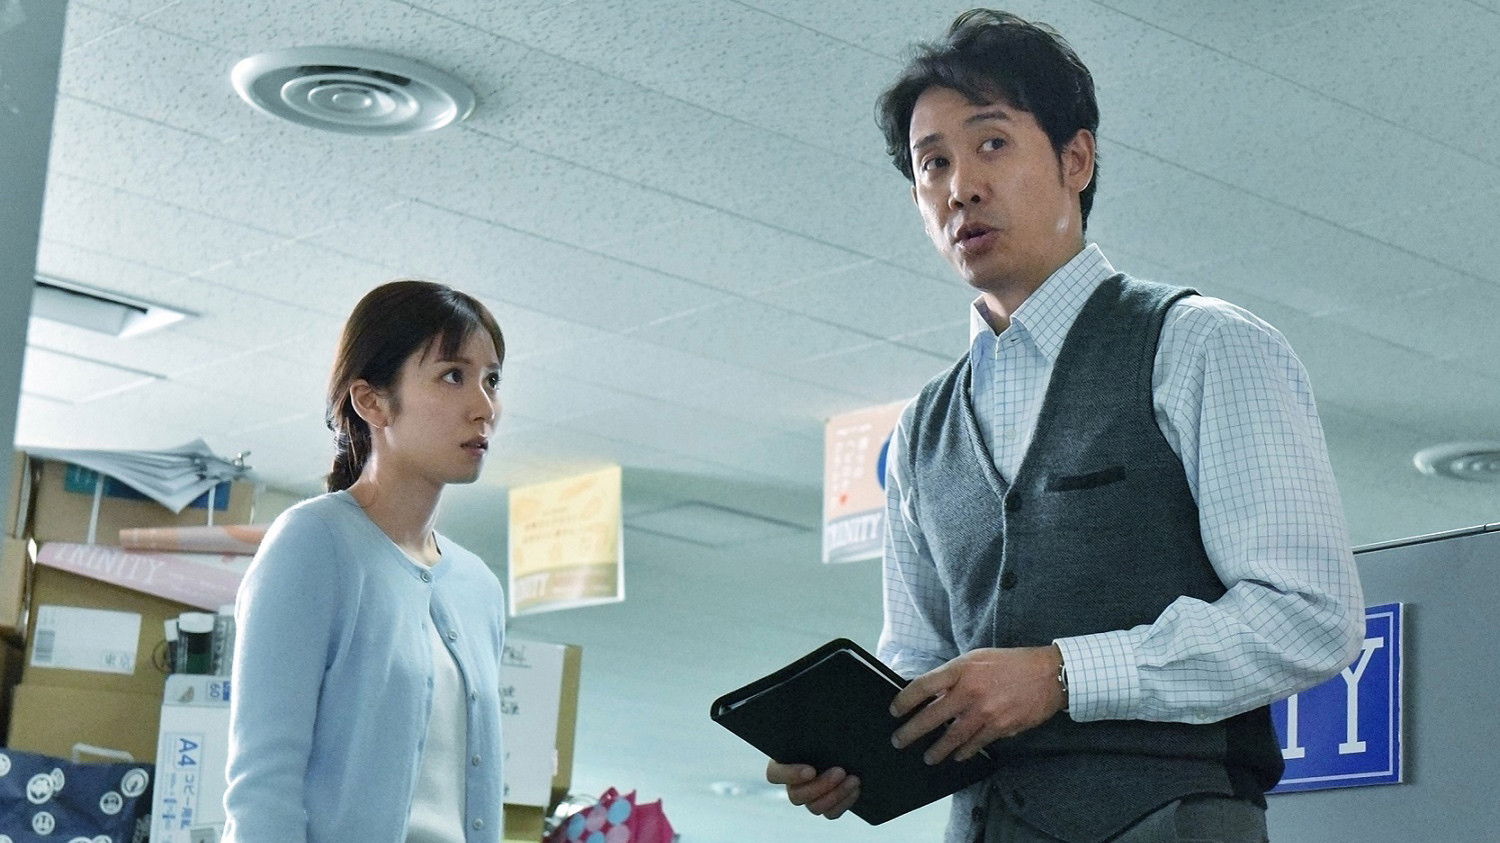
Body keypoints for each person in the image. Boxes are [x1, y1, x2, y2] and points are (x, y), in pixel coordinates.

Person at [767, 10, 1364, 842]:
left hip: (1172, 820)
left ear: (1075, 159)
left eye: (992, 143)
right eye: (932, 164)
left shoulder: (1201, 345)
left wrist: (1061, 674)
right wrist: (861, 742)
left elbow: (1310, 616)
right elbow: (919, 653)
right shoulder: (921, 431)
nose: (960, 187)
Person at [223, 280, 509, 842]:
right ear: (371, 401)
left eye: (492, 380)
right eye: (453, 375)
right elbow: (263, 784)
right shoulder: (314, 544)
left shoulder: (478, 588)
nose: (484, 407)